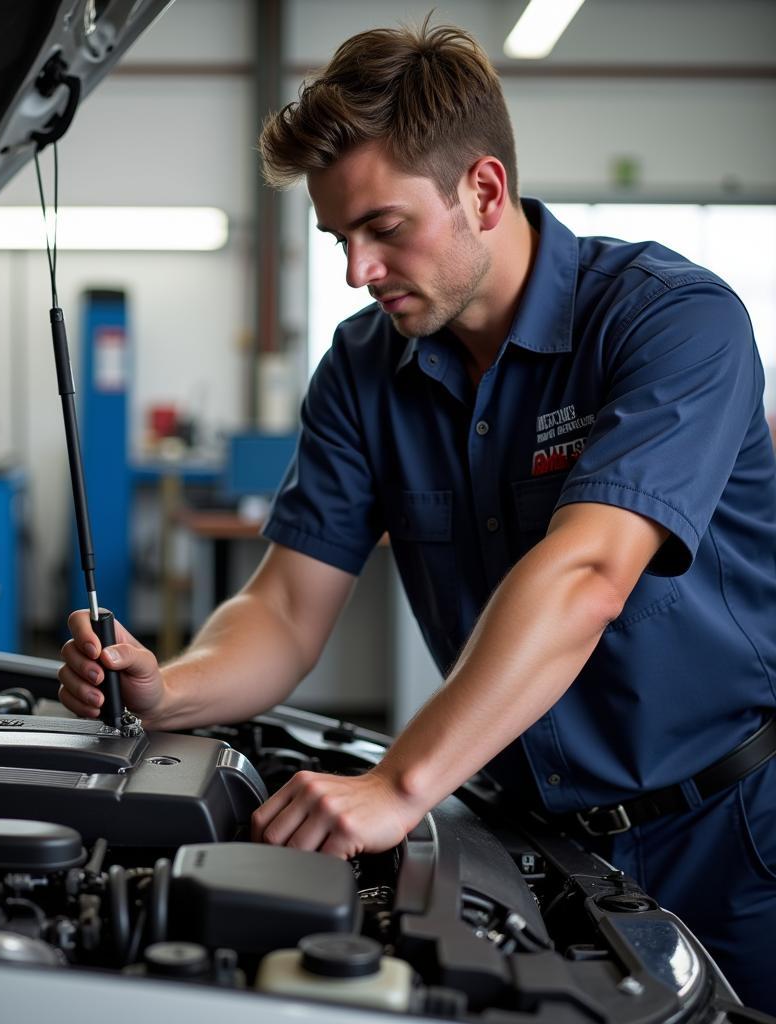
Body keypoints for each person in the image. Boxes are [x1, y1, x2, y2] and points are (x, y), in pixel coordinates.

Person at [59, 18, 776, 1009]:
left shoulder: (670, 321)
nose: (356, 271)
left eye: (383, 229)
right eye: (337, 239)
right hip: (536, 845)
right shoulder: (362, 371)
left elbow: (586, 576)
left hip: (730, 836)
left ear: (482, 190)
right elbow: (282, 609)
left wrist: (401, 783)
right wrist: (166, 690)